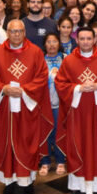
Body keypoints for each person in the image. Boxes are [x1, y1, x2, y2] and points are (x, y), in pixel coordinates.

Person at [0, 18, 54, 194]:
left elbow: (41, 77)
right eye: (13, 31)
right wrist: (4, 89)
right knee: (5, 144)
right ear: (7, 33)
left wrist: (24, 91)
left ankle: (27, 182)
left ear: (24, 33)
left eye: (19, 31)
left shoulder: (36, 52)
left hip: (27, 108)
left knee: (27, 145)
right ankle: (9, 183)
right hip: (5, 108)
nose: (16, 35)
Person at [53, 25, 97, 194]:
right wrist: (77, 89)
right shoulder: (68, 61)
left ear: (95, 40)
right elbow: (60, 84)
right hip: (77, 113)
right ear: (76, 40)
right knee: (77, 144)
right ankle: (77, 184)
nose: (85, 42)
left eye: (89, 38)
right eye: (82, 39)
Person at [39, 33, 67, 176]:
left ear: (59, 43)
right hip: (44, 104)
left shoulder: (66, 58)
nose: (51, 44)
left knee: (59, 132)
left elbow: (69, 79)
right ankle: (45, 161)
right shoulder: (39, 59)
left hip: (60, 104)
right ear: (44, 44)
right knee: (44, 132)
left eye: (54, 41)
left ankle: (61, 161)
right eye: (48, 42)